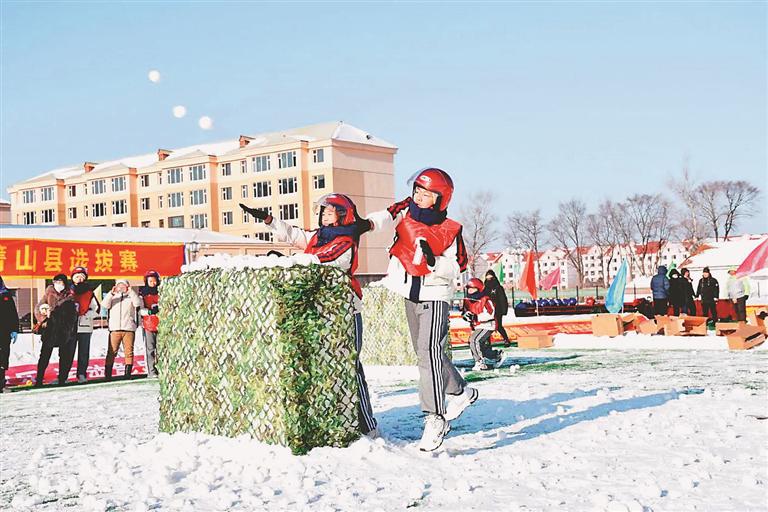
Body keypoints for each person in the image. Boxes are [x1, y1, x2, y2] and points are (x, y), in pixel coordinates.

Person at [240, 194, 379, 438]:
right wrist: (269, 220)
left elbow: (320, 261)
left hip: (345, 311)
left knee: (351, 366)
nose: (325, 216)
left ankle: (367, 424)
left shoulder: (344, 241)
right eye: (323, 212)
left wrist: (286, 261)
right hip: (322, 312)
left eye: (330, 212)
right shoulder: (319, 236)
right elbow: (295, 236)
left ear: (343, 215)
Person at [362, 167, 476, 452]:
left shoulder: (451, 230)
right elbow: (384, 218)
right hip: (408, 292)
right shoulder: (406, 213)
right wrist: (363, 224)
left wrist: (433, 260)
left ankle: (435, 417)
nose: (418, 197)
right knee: (426, 353)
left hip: (435, 296)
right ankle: (461, 391)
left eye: (426, 194)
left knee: (427, 354)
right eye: (417, 191)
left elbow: (459, 266)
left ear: (440, 199)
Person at [34, 273, 78, 386]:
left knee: (64, 355)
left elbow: (73, 314)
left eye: (61, 283)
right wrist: (44, 316)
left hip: (64, 330)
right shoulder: (48, 293)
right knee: (44, 355)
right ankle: (39, 378)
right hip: (50, 329)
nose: (59, 285)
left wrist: (68, 325)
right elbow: (38, 308)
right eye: (56, 282)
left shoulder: (70, 295)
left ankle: (62, 378)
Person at [103, 279, 142, 380]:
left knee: (129, 351)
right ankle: (107, 375)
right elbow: (104, 305)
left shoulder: (131, 297)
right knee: (111, 351)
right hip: (115, 329)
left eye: (123, 285)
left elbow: (138, 304)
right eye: (119, 285)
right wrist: (111, 293)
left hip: (128, 328)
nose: (121, 288)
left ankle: (127, 374)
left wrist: (131, 292)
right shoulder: (113, 297)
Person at [462, 278, 502, 370]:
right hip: (477, 326)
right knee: (481, 347)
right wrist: (465, 316)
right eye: (468, 288)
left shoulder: (485, 299)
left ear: (479, 289)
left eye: (472, 289)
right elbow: (465, 312)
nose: (470, 291)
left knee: (474, 340)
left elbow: (491, 313)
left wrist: (476, 317)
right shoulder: (468, 300)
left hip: (487, 325)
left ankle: (480, 362)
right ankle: (497, 355)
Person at [69, 267, 99, 383]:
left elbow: (96, 309)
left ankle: (81, 374)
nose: (79, 279)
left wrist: (86, 315)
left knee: (83, 352)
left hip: (85, 326)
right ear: (72, 278)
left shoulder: (89, 292)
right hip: (70, 327)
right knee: (68, 352)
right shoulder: (68, 291)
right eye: (77, 276)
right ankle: (64, 374)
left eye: (82, 276)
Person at [139, 270, 161, 379]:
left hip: (161, 322)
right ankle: (151, 370)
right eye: (150, 281)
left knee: (161, 348)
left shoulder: (161, 291)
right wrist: (149, 311)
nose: (153, 283)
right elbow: (140, 309)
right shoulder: (143, 293)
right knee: (150, 348)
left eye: (154, 281)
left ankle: (161, 368)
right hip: (149, 324)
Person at [0, 276, 20, 393]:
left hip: (4, 332)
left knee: (3, 358)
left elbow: (13, 314)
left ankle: (1, 384)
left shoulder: (6, 295)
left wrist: (14, 329)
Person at [483, 269, 510, 344]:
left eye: (490, 278)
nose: (489, 280)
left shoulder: (498, 287)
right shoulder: (484, 288)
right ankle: (487, 342)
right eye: (487, 278)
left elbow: (503, 299)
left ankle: (506, 339)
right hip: (488, 310)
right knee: (487, 326)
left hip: (498, 310)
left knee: (498, 326)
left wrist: (504, 310)